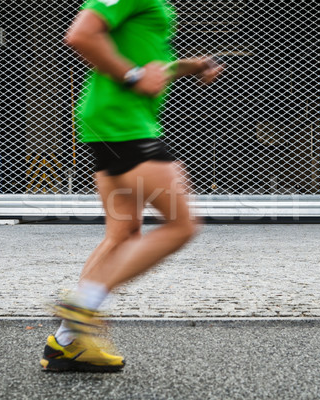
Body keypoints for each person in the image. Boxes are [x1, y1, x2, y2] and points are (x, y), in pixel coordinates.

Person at [40, 0, 223, 372]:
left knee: (122, 231)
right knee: (182, 225)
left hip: (114, 121)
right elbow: (81, 34)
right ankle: (83, 306)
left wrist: (188, 67)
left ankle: (65, 344)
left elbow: (145, 58)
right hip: (124, 122)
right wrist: (134, 76)